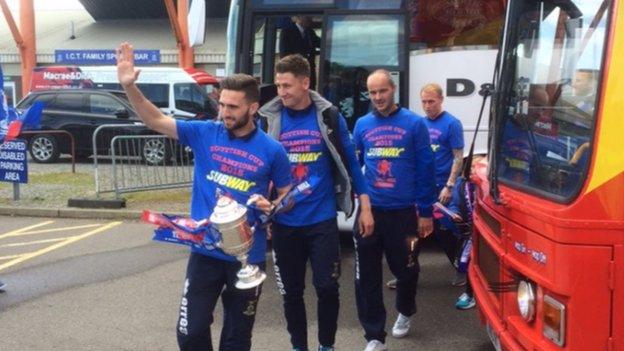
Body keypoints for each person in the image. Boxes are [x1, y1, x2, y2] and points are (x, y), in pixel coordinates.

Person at [116, 42, 293, 351]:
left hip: (247, 257)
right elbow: (154, 120)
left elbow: (286, 194)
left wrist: (273, 207)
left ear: (253, 108)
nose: (224, 112)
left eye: (232, 107)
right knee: (191, 330)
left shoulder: (272, 150)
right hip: (205, 253)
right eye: (222, 104)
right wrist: (130, 87)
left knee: (237, 339)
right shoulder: (204, 133)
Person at [258, 54, 375, 351]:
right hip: (285, 223)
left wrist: (366, 206)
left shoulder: (329, 116)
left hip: (321, 221)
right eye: (279, 86)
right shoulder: (270, 118)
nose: (281, 92)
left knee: (327, 287)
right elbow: (260, 168)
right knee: (292, 293)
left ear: (305, 83)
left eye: (287, 85)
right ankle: (299, 346)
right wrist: (264, 216)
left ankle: (327, 345)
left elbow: (351, 160)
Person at [352, 70, 436, 351]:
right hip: (370, 213)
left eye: (382, 91)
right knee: (367, 274)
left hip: (404, 215)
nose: (377, 98)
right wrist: (358, 201)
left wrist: (425, 212)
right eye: (372, 93)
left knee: (407, 270)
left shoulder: (415, 124)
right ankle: (374, 335)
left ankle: (405, 309)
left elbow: (427, 169)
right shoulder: (362, 124)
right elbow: (356, 166)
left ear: (394, 89)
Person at [421, 83, 465, 285]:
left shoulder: (452, 124)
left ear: (441, 99)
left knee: (445, 229)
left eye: (431, 101)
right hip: (424, 188)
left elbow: (458, 157)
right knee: (413, 230)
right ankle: (405, 274)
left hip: (443, 189)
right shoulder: (420, 124)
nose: (428, 106)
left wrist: (449, 185)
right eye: (424, 102)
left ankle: (461, 268)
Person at [279, 16, 321, 90]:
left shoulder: (310, 32)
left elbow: (320, 43)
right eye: (306, 16)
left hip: (309, 72)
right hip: (295, 72)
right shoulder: (287, 31)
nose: (310, 19)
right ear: (298, 18)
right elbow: (284, 54)